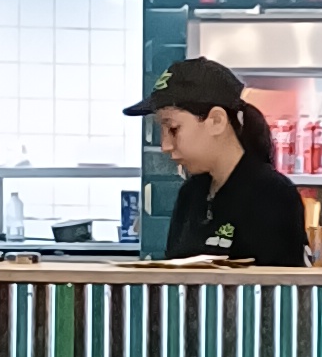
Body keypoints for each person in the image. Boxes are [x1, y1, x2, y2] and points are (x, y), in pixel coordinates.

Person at [129, 55, 309, 265]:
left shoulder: (272, 195)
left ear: (216, 120)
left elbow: (280, 283)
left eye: (173, 128)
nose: (165, 145)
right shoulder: (191, 194)